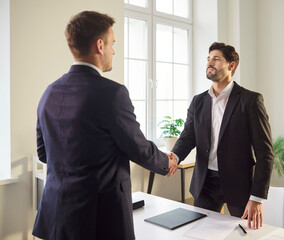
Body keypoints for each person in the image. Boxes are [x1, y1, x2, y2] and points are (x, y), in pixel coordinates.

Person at [32, 11, 177, 240]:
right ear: (100, 45)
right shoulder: (112, 94)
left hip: (56, 214)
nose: (114, 51)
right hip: (98, 219)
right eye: (112, 44)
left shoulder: (49, 92)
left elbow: (44, 153)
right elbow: (137, 147)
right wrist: (165, 163)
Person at [171, 42, 274, 230]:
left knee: (243, 234)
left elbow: (265, 153)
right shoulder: (198, 101)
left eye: (216, 59)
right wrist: (174, 157)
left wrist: (257, 198)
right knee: (200, 232)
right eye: (208, 59)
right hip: (205, 183)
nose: (210, 63)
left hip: (238, 184)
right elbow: (187, 137)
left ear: (231, 65)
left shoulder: (250, 101)